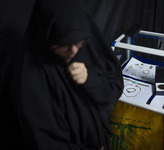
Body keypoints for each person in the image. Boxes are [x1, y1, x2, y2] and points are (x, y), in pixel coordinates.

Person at [10, 0, 123, 149]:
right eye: (63, 44)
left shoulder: (88, 46)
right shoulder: (30, 81)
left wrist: (90, 80)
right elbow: (45, 143)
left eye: (79, 42)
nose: (74, 52)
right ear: (47, 35)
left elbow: (114, 87)